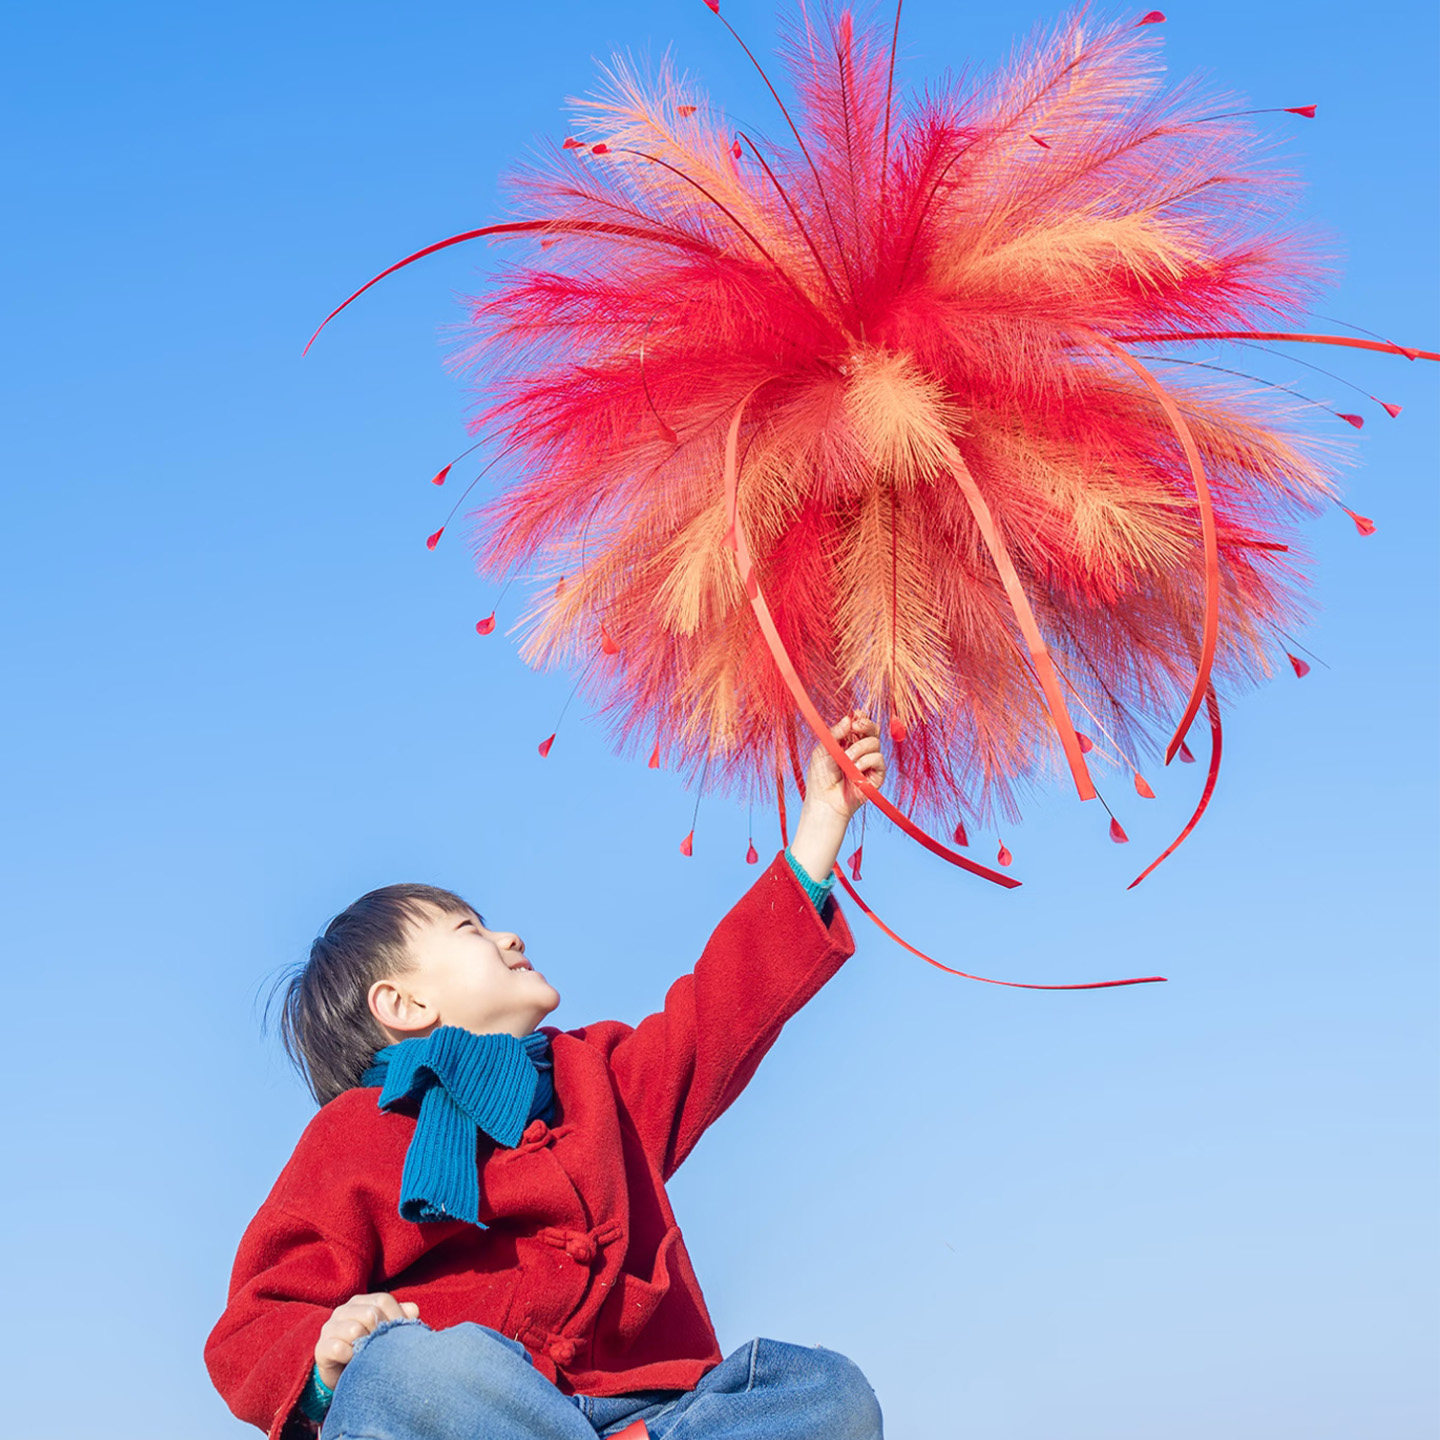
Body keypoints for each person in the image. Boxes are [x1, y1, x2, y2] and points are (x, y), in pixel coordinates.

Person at [204, 712, 888, 1440]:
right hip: (485, 1417)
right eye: (470, 930)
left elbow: (718, 1016)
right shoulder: (356, 1132)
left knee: (829, 1393)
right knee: (411, 1373)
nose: (509, 936)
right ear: (403, 1004)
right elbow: (255, 1321)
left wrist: (820, 822)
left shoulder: (598, 1079)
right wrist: (327, 1356)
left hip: (656, 1414)